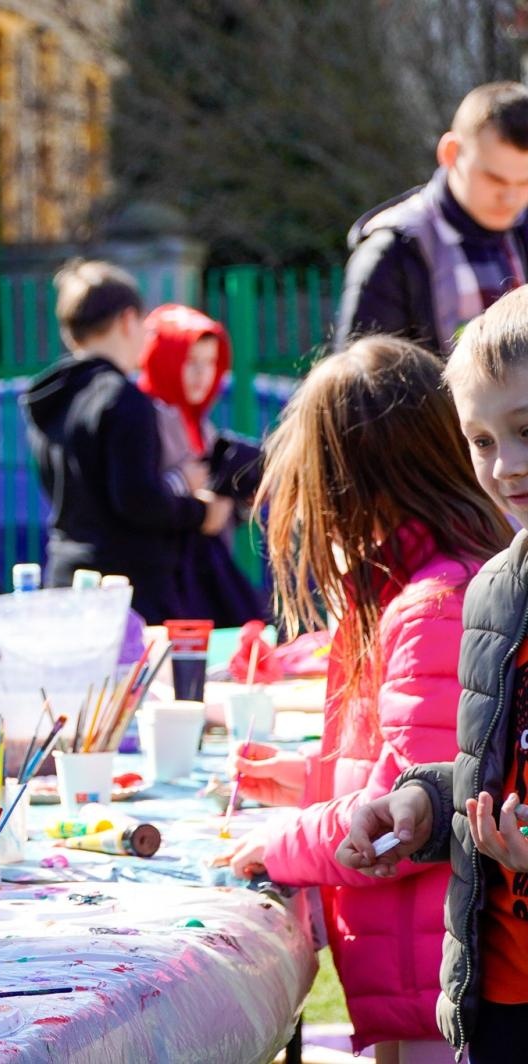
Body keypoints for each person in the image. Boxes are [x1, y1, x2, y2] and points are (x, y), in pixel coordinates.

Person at [213, 337, 509, 1063]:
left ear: (352, 482)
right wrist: (305, 781)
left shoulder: (435, 603)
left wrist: (279, 845)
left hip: (440, 987)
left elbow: (408, 825)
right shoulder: (428, 582)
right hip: (424, 975)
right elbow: (408, 772)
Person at [339, 288, 528, 1061]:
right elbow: (497, 773)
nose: (505, 466)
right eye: (481, 439)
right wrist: (421, 800)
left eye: (527, 430)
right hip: (501, 1003)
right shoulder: (494, 592)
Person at [21, 260, 230, 624]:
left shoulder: (50, 398)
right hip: (125, 592)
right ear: (127, 320)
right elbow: (136, 499)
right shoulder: (122, 399)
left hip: (66, 576)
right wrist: (199, 511)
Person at [337, 81, 528, 356]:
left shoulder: (523, 228)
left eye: (524, 182)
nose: (510, 198)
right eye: (494, 178)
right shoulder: (393, 252)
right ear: (450, 153)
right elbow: (363, 389)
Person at [137, 304, 266, 627]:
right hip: (166, 583)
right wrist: (183, 483)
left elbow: (214, 515)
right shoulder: (146, 417)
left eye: (210, 363)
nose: (202, 374)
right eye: (189, 362)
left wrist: (240, 500)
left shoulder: (199, 423)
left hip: (203, 573)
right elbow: (137, 497)